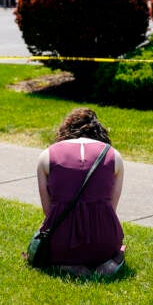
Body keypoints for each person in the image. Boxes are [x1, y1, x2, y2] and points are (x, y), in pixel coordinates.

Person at [35, 108, 125, 276]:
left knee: (44, 237)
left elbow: (48, 212)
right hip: (104, 241)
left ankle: (68, 265)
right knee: (116, 246)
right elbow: (111, 209)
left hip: (61, 242)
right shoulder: (114, 156)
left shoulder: (46, 156)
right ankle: (110, 263)